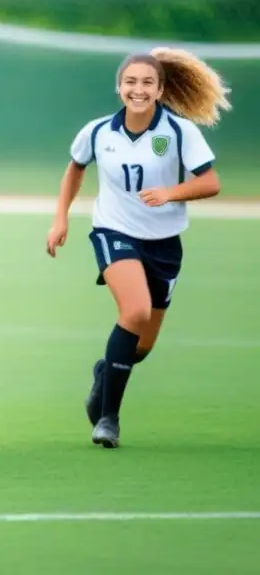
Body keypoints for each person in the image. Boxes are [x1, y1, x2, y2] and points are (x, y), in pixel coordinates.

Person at [47, 47, 230, 449]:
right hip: (114, 231)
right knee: (135, 311)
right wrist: (61, 217)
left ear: (161, 89)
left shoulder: (180, 133)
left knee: (141, 346)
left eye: (148, 82)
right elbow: (75, 168)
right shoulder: (98, 132)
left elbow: (211, 182)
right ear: (119, 88)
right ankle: (108, 420)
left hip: (164, 244)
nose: (138, 89)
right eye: (131, 82)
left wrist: (171, 192)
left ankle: (105, 375)